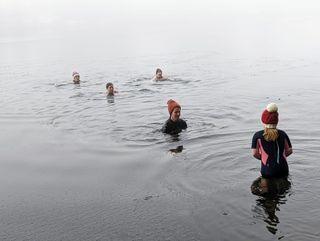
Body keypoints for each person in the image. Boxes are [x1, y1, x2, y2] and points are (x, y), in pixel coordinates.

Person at [251, 103, 293, 178]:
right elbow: (289, 151)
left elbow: (254, 153)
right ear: (277, 121)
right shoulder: (283, 134)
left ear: (263, 121)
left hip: (267, 170)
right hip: (283, 169)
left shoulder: (258, 135)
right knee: (283, 188)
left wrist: (265, 158)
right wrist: (279, 156)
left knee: (265, 188)